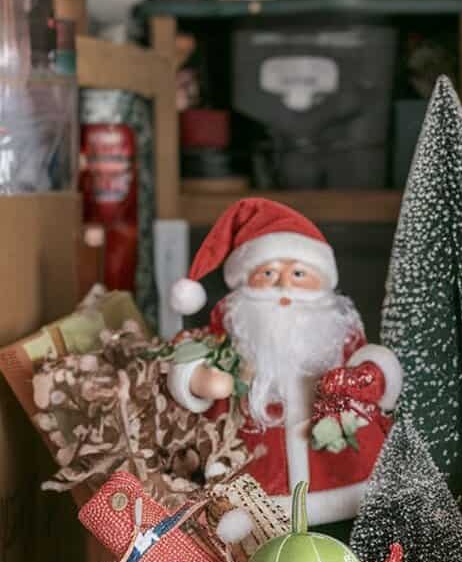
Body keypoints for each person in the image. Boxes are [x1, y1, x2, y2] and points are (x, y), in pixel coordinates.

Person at [167, 196, 401, 526]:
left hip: (343, 480)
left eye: (299, 273)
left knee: (347, 534)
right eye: (268, 273)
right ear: (245, 280)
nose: (284, 286)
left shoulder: (339, 331)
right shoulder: (232, 330)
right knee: (251, 536)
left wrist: (369, 377)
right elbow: (187, 355)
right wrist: (197, 379)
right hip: (256, 478)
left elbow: (374, 363)